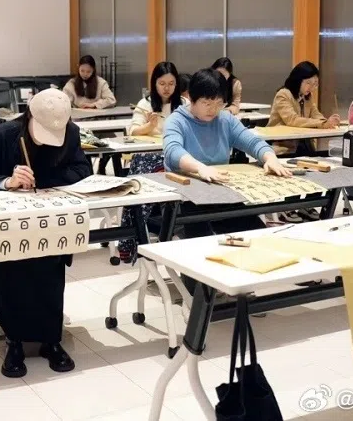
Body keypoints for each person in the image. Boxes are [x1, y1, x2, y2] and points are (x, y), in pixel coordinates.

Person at [0, 89, 92, 379]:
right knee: (8, 273)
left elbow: (83, 169)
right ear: (29, 117)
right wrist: (7, 182)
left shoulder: (71, 133)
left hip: (51, 222)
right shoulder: (0, 136)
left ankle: (51, 339)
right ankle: (13, 340)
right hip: (6, 227)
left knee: (50, 273)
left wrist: (47, 181)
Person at [163, 69, 291, 291]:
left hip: (221, 192)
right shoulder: (177, 120)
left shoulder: (225, 119)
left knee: (253, 233)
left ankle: (243, 287)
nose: (213, 110)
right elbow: (173, 151)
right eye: (206, 103)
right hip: (187, 199)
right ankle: (196, 299)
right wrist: (200, 168)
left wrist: (270, 158)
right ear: (191, 98)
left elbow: (251, 141)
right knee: (199, 243)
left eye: (219, 103)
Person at [116, 62, 182, 262]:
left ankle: (170, 228)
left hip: (173, 154)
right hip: (149, 154)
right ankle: (133, 238)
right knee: (140, 185)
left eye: (171, 83)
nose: (167, 88)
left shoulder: (184, 104)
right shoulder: (145, 104)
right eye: (162, 83)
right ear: (154, 83)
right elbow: (133, 131)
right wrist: (149, 125)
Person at [267, 61, 340, 156]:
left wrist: (329, 122)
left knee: (328, 156)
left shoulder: (307, 96)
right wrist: (323, 123)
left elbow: (316, 114)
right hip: (282, 147)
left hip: (303, 145)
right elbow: (292, 120)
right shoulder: (283, 94)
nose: (312, 87)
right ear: (298, 80)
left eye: (315, 84)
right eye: (308, 83)